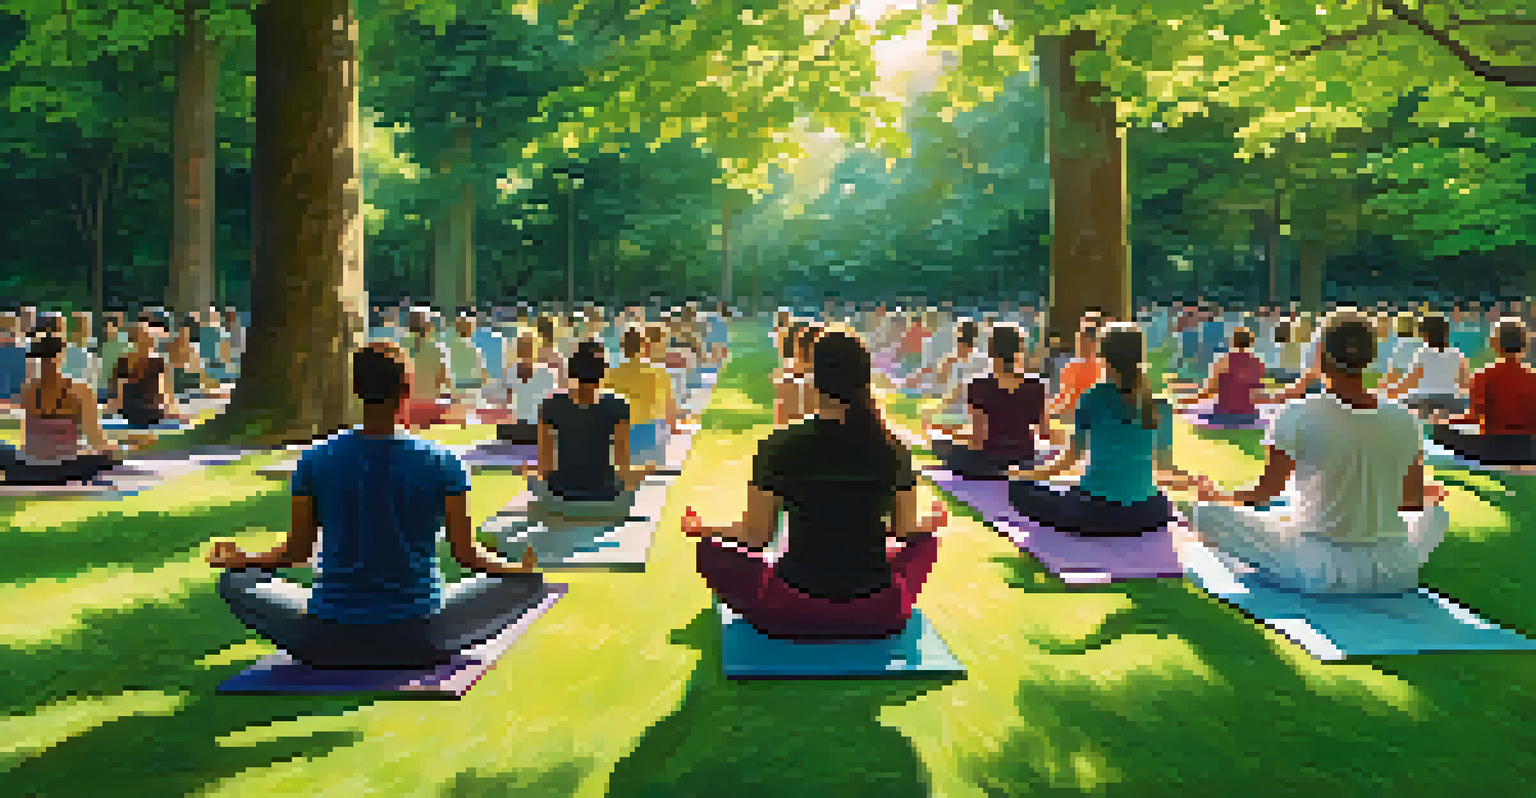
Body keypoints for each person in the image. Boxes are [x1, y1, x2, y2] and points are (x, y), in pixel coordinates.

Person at [209, 342, 543, 669]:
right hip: (420, 635)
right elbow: (465, 555)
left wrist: (245, 560)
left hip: (327, 636)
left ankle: (342, 650)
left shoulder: (313, 460)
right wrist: (518, 570)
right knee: (530, 584)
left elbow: (296, 553)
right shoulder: (444, 462)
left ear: (356, 388)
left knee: (233, 581)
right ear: (406, 390)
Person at [684, 329, 948, 639]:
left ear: (813, 377)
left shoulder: (778, 444)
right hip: (879, 612)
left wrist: (706, 530)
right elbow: (905, 531)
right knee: (927, 542)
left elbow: (755, 537)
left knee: (709, 551)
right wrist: (929, 523)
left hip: (793, 609)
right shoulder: (892, 447)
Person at [1188, 311, 1450, 595]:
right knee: (1435, 513)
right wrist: (1427, 495)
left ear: (1320, 357)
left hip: (1319, 569)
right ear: (1371, 357)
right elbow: (1411, 500)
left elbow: (1265, 494)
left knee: (1207, 513)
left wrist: (1219, 497)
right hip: (1394, 568)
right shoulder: (1405, 418)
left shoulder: (1297, 413)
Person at [1009, 323, 1199, 536]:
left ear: (1103, 358)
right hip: (1147, 514)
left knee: (1019, 490)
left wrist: (1023, 474)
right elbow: (1165, 468)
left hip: (1094, 513)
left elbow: (1067, 462)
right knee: (1159, 498)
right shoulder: (1160, 406)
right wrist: (1197, 481)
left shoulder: (1092, 398)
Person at [531, 340, 643, 516]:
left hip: (560, 494)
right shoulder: (619, 405)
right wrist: (628, 493)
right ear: (603, 372)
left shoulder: (550, 404)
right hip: (604, 494)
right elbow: (622, 459)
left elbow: (545, 462)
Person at [0, 334, 129, 484]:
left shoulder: (27, 391)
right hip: (65, 466)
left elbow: (28, 440)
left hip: (30, 465)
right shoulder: (81, 390)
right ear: (62, 356)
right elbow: (95, 439)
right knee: (112, 454)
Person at [931, 325, 1048, 479]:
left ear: (990, 352)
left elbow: (978, 441)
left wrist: (956, 435)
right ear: (1020, 351)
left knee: (940, 444)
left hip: (989, 462)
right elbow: (1044, 432)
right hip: (1024, 459)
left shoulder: (979, 386)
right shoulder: (1036, 386)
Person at [1429, 318, 1536, 465]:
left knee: (1441, 431)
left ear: (1495, 343)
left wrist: (1445, 421)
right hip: (1529, 449)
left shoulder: (1483, 375)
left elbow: (1475, 416)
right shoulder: (1533, 377)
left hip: (1493, 448)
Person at [602, 329, 677, 467]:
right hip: (650, 434)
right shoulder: (658, 372)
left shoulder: (612, 374)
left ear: (622, 347)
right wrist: (670, 431)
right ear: (643, 346)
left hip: (622, 436)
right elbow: (670, 408)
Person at [1383, 314, 1470, 423]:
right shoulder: (1457, 355)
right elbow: (1464, 385)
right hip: (1451, 404)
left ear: (1425, 335)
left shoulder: (1422, 354)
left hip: (1424, 404)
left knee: (1403, 403)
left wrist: (1390, 391)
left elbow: (1409, 383)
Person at [1177, 327, 1267, 425]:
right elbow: (1257, 394)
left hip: (1224, 416)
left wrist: (1188, 400)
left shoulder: (1223, 361)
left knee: (1195, 411)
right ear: (1251, 343)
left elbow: (1209, 391)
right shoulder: (1257, 363)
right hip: (1249, 416)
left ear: (1232, 341)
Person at [105, 316, 185, 427]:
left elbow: (115, 397)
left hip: (128, 414)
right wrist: (175, 415)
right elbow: (163, 396)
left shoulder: (123, 361)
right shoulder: (158, 363)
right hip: (149, 415)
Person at [487, 331, 559, 445]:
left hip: (538, 425)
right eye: (522, 347)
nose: (525, 351)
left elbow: (551, 403)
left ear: (535, 349)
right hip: (517, 424)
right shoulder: (509, 373)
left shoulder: (546, 374)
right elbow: (497, 398)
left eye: (528, 347)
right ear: (518, 350)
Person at [401, 309, 451, 430]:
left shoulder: (400, 347)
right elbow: (444, 382)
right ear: (429, 326)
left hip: (404, 409)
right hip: (428, 410)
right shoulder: (437, 349)